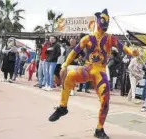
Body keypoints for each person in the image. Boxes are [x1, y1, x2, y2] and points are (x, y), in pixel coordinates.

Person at [48, 9, 139, 139]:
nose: (103, 29)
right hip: (87, 68)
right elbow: (74, 51)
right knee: (69, 76)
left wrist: (132, 52)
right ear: (97, 23)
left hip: (100, 72)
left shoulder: (110, 39)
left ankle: (99, 129)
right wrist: (64, 65)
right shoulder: (87, 38)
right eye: (102, 25)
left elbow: (124, 48)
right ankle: (62, 107)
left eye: (105, 26)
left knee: (105, 100)